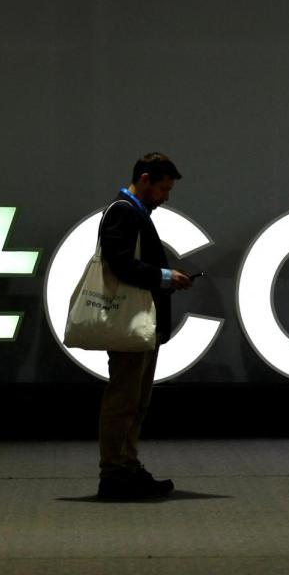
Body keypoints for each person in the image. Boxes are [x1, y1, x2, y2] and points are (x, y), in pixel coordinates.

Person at [95, 152, 192, 500]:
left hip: (140, 323)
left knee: (135, 400)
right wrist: (164, 277)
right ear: (146, 179)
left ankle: (126, 466)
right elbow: (119, 262)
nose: (166, 196)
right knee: (125, 398)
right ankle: (115, 472)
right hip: (131, 323)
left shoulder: (132, 211)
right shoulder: (124, 211)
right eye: (163, 188)